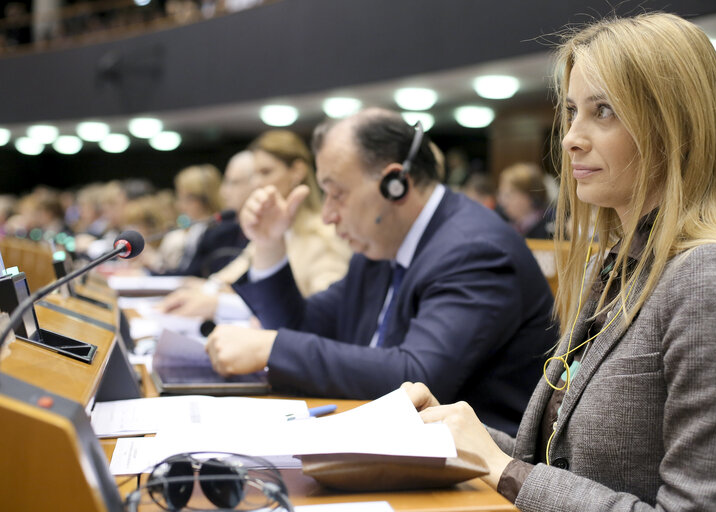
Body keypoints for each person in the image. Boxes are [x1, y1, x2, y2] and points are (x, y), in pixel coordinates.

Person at [403, 12, 716, 510]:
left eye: (604, 111)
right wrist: (461, 433)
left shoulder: (714, 277)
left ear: (674, 127)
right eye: (573, 111)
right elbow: (564, 466)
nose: (571, 137)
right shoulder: (618, 263)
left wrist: (500, 468)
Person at [205, 108, 556, 436]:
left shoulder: (475, 249)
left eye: (336, 194)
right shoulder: (380, 246)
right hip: (397, 441)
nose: (328, 214)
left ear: (395, 184)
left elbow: (417, 378)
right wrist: (269, 245)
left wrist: (274, 348)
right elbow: (303, 325)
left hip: (476, 473)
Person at [159, 130, 351, 319]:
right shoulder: (270, 231)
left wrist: (218, 303)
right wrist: (207, 290)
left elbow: (322, 314)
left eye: (266, 172)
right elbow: (229, 277)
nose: (257, 183)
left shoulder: (324, 234)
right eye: (255, 175)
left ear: (297, 171)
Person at [496, 163, 554, 239]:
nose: (502, 201)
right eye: (501, 194)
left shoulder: (552, 225)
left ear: (531, 196)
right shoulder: (501, 221)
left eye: (508, 195)